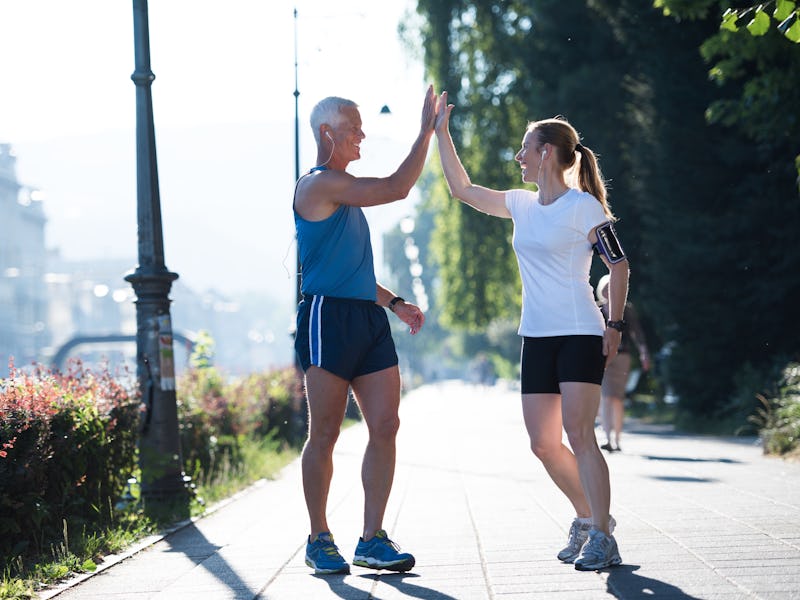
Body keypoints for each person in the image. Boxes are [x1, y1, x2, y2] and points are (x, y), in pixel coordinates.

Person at [434, 91, 628, 571]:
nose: (518, 156)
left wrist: (615, 324)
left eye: (525, 147)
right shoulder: (521, 205)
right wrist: (441, 133)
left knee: (580, 435)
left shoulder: (585, 209)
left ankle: (603, 534)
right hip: (536, 336)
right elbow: (463, 190)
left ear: (547, 153)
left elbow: (619, 266)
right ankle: (588, 517)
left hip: (581, 330)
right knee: (543, 443)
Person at [293, 86, 436, 575]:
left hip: (366, 318)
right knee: (326, 432)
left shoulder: (344, 194)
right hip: (326, 318)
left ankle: (372, 540)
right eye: (354, 128)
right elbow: (397, 187)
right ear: (326, 133)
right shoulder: (317, 186)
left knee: (387, 425)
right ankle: (318, 538)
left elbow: (350, 270)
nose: (362, 135)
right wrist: (425, 134)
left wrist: (394, 302)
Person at [595, 274, 650, 453]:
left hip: (621, 357)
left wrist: (643, 352)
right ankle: (607, 437)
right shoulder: (596, 309)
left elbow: (637, 333)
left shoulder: (627, 310)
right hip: (600, 357)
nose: (607, 291)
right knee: (605, 397)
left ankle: (616, 437)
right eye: (605, 288)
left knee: (616, 398)